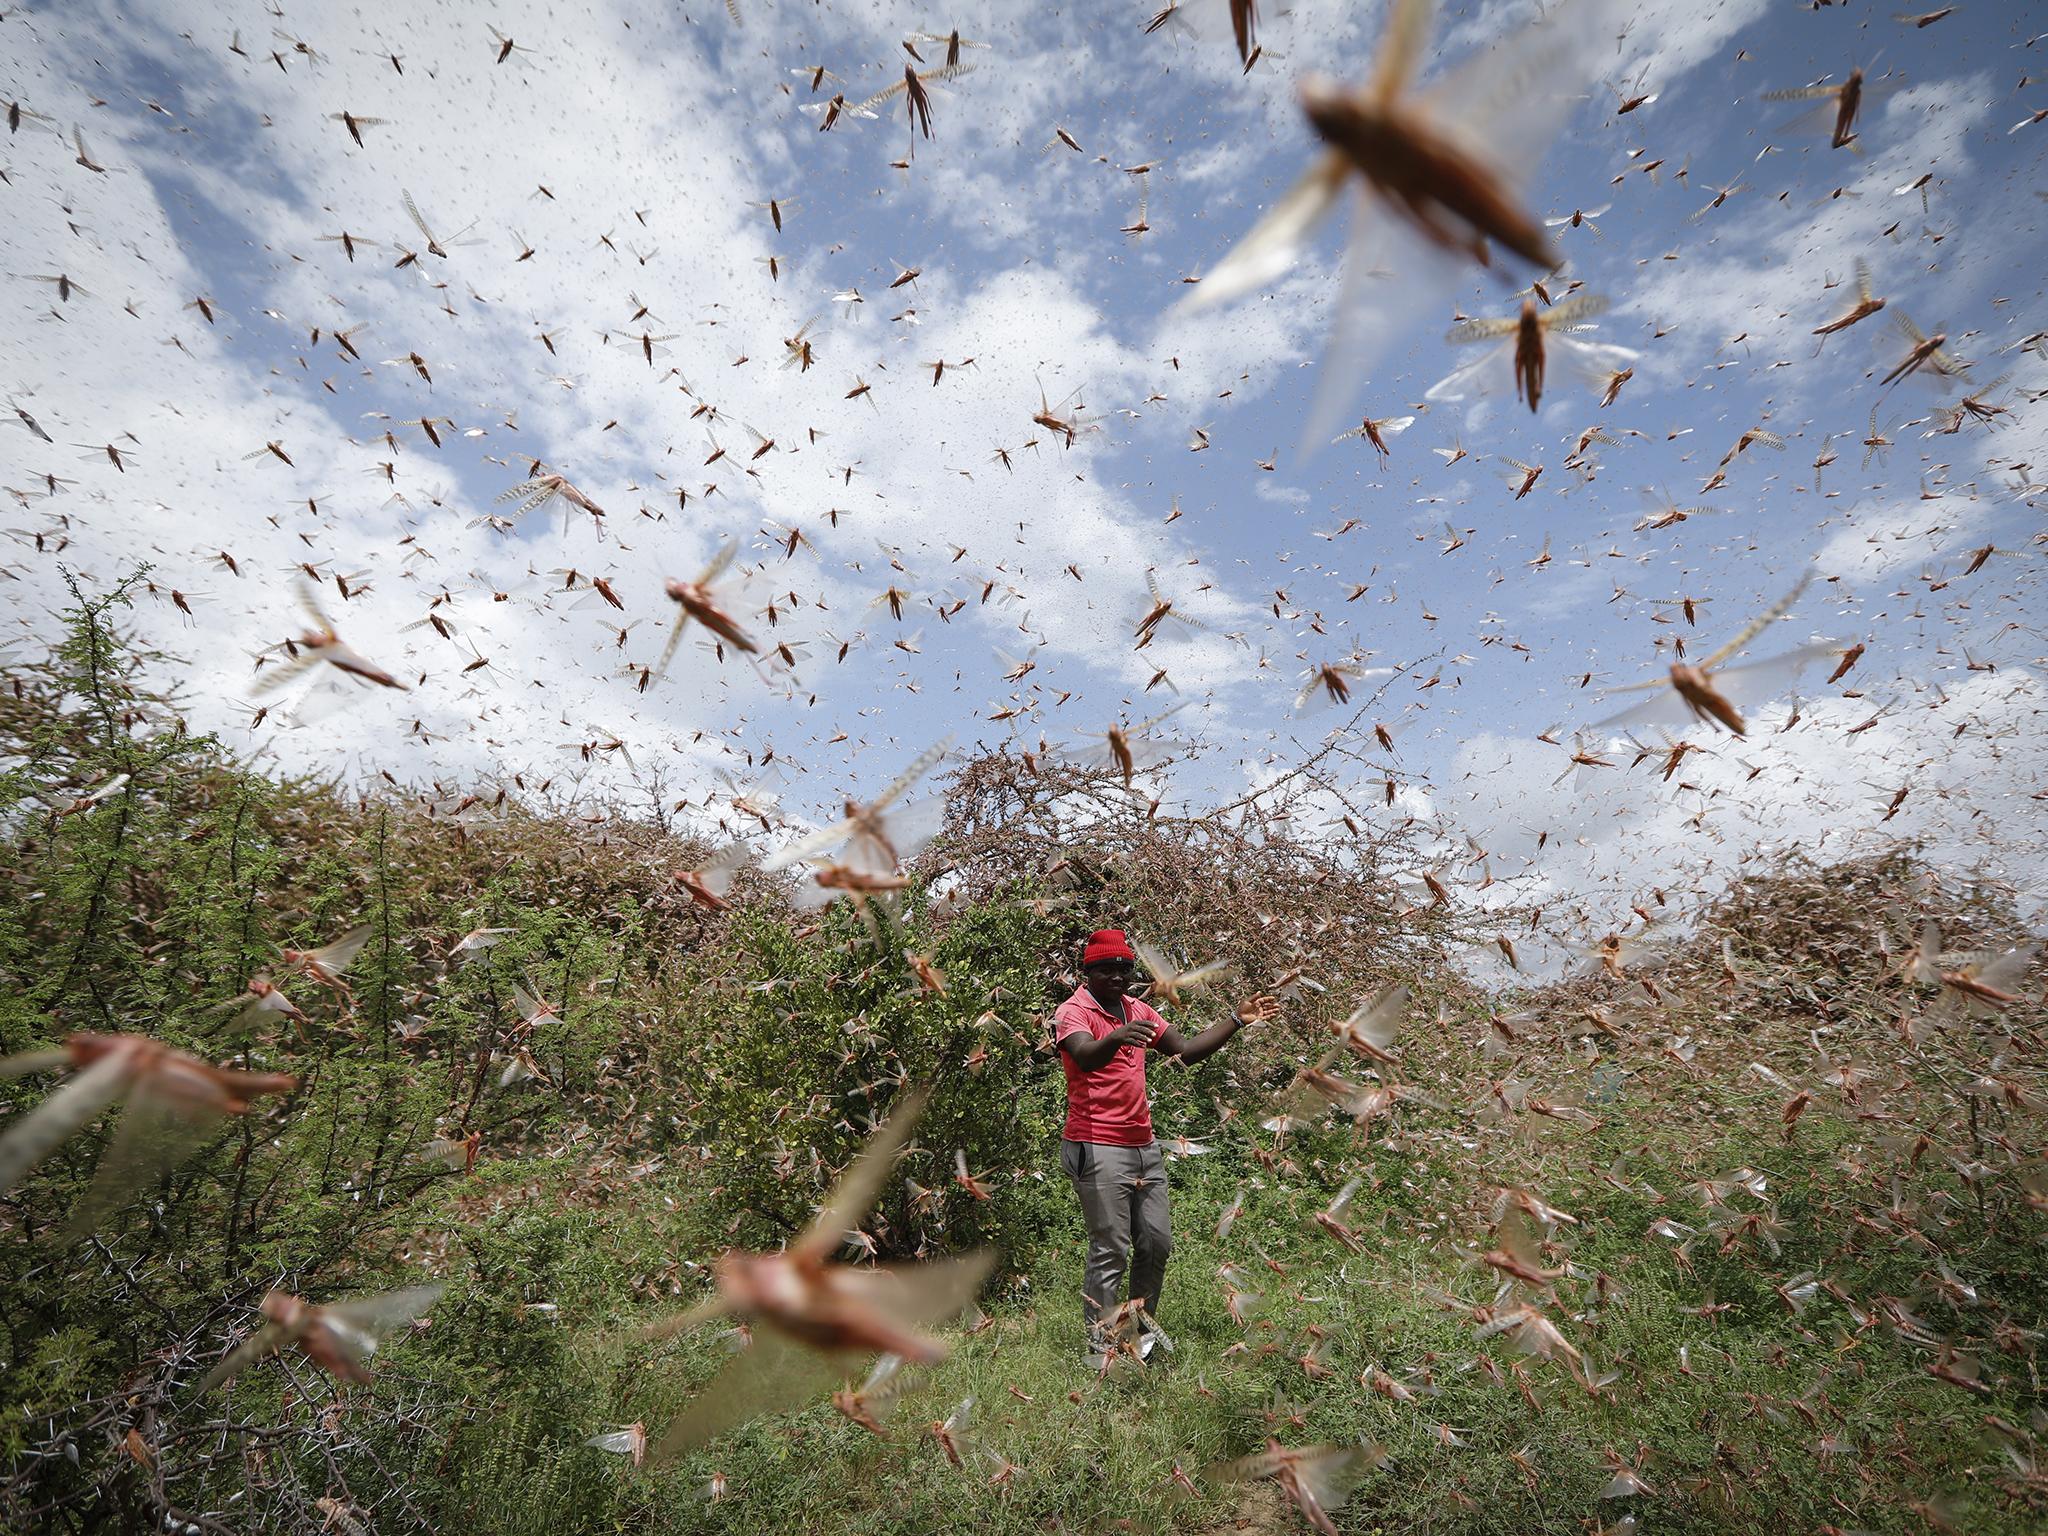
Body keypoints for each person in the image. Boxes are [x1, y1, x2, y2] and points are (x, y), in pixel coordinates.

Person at [1053, 928, 1278, 1365]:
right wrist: (1117, 1037)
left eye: (1124, 968)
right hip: (1096, 1144)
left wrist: (1236, 1018)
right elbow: (1084, 1055)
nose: (1118, 976)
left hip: (1143, 1145)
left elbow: (1188, 1051)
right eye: (1107, 969)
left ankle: (1139, 1339)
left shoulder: (1138, 1010)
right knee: (1111, 1248)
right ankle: (1100, 1352)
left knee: (1156, 1244)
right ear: (1089, 972)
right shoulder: (1074, 1011)